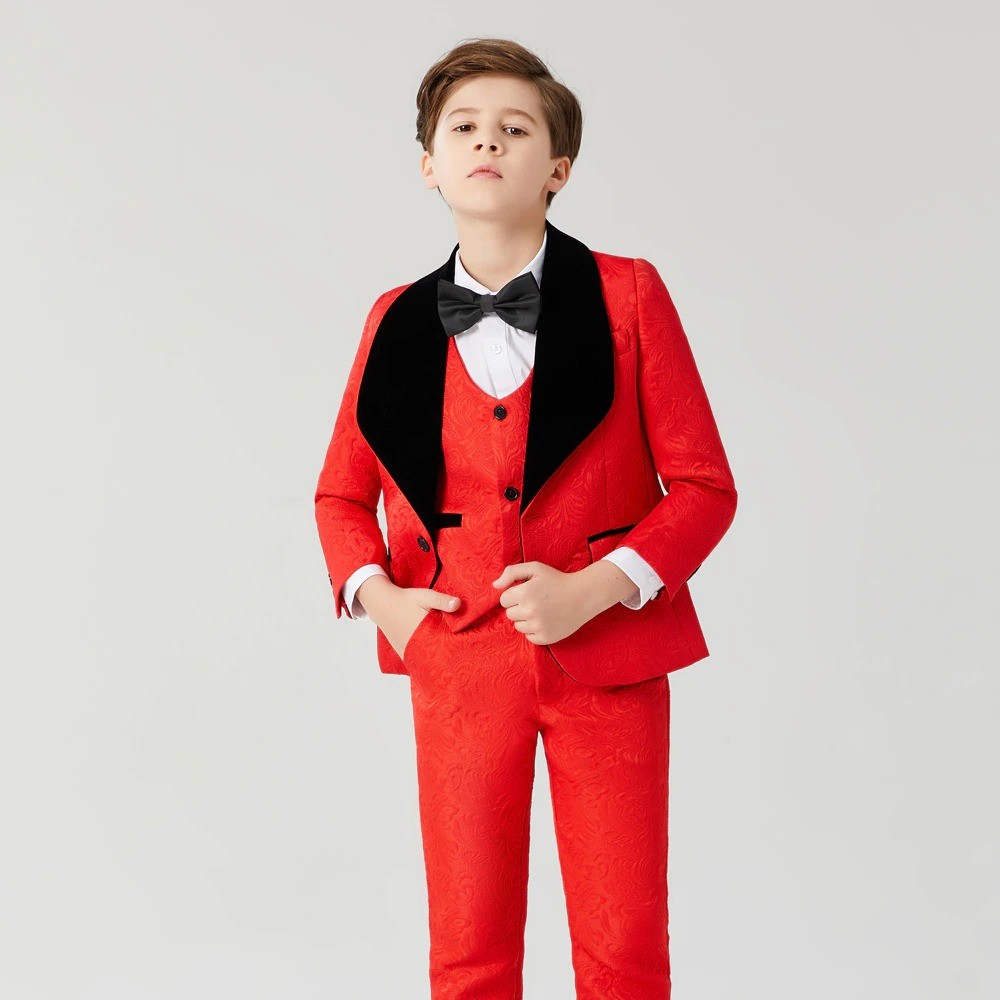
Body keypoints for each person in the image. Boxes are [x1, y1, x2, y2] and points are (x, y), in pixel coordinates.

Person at [314, 36, 738, 999]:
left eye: (515, 129)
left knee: (625, 941)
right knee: (468, 944)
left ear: (559, 168)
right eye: (463, 128)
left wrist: (599, 587)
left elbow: (705, 488)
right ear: (429, 165)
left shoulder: (629, 294)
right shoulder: (393, 319)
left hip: (609, 658)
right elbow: (340, 494)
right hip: (457, 659)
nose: (487, 143)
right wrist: (382, 600)